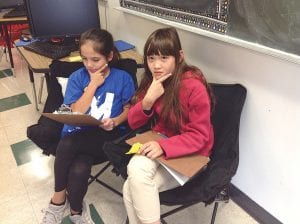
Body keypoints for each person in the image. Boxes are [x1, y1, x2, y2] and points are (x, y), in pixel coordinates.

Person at [105, 27, 215, 224]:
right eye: (151, 58)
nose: (156, 65)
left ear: (179, 56)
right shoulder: (153, 82)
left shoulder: (193, 87)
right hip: (165, 142)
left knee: (133, 183)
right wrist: (147, 101)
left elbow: (200, 136)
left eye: (164, 58)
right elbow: (133, 122)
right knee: (133, 181)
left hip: (194, 154)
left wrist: (163, 146)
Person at [41, 28, 135, 224]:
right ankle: (75, 211)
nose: (89, 65)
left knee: (67, 145)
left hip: (104, 138)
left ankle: (57, 201)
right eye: (85, 59)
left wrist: (115, 121)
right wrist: (92, 85)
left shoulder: (122, 78)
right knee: (79, 169)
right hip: (78, 133)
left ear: (109, 56)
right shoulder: (77, 77)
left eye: (95, 60)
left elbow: (129, 109)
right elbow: (75, 111)